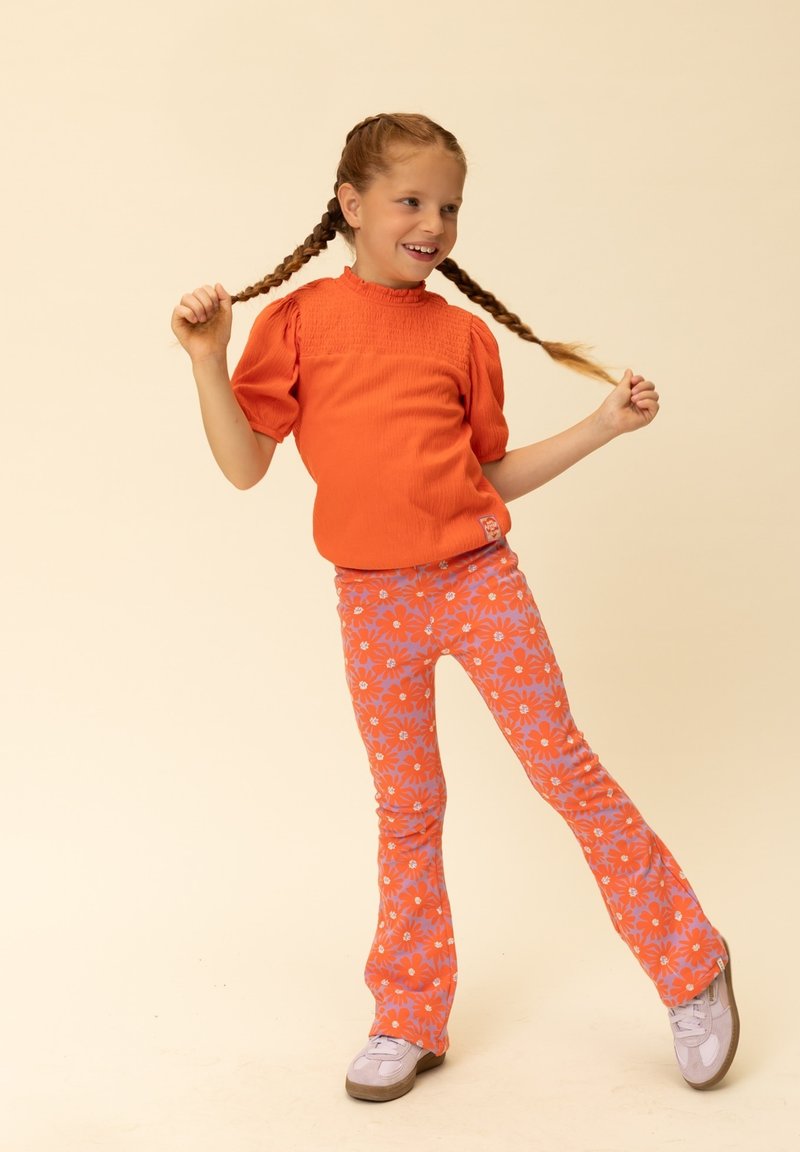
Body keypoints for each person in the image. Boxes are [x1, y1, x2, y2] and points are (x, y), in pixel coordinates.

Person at [170, 113, 739, 1102]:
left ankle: (691, 966)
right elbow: (244, 467)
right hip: (370, 602)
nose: (433, 223)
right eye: (411, 201)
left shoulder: (463, 337)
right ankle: (408, 1013)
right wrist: (206, 360)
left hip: (478, 584)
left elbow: (487, 477)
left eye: (449, 206)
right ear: (350, 205)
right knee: (407, 809)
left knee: (565, 773)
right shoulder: (297, 323)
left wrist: (601, 426)